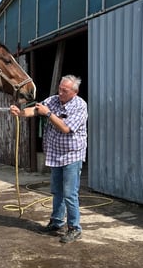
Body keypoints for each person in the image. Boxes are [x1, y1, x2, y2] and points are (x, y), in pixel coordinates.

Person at [10, 75, 88, 243]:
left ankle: (74, 227)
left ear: (75, 92)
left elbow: (65, 128)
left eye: (64, 91)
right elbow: (37, 109)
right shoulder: (53, 100)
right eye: (59, 88)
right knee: (57, 191)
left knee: (70, 193)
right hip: (56, 154)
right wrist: (21, 112)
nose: (60, 92)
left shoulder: (80, 105)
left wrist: (49, 114)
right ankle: (56, 222)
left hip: (72, 154)